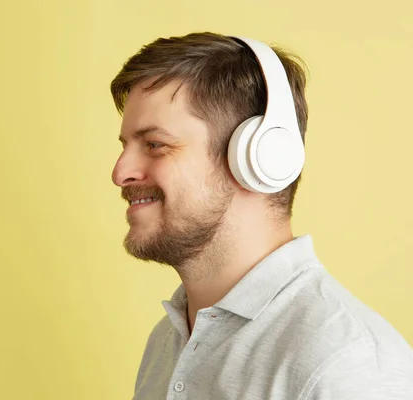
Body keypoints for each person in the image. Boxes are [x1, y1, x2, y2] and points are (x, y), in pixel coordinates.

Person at [110, 32, 413, 399]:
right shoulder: (168, 339)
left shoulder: (346, 366)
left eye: (155, 145)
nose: (120, 172)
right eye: (126, 147)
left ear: (258, 158)